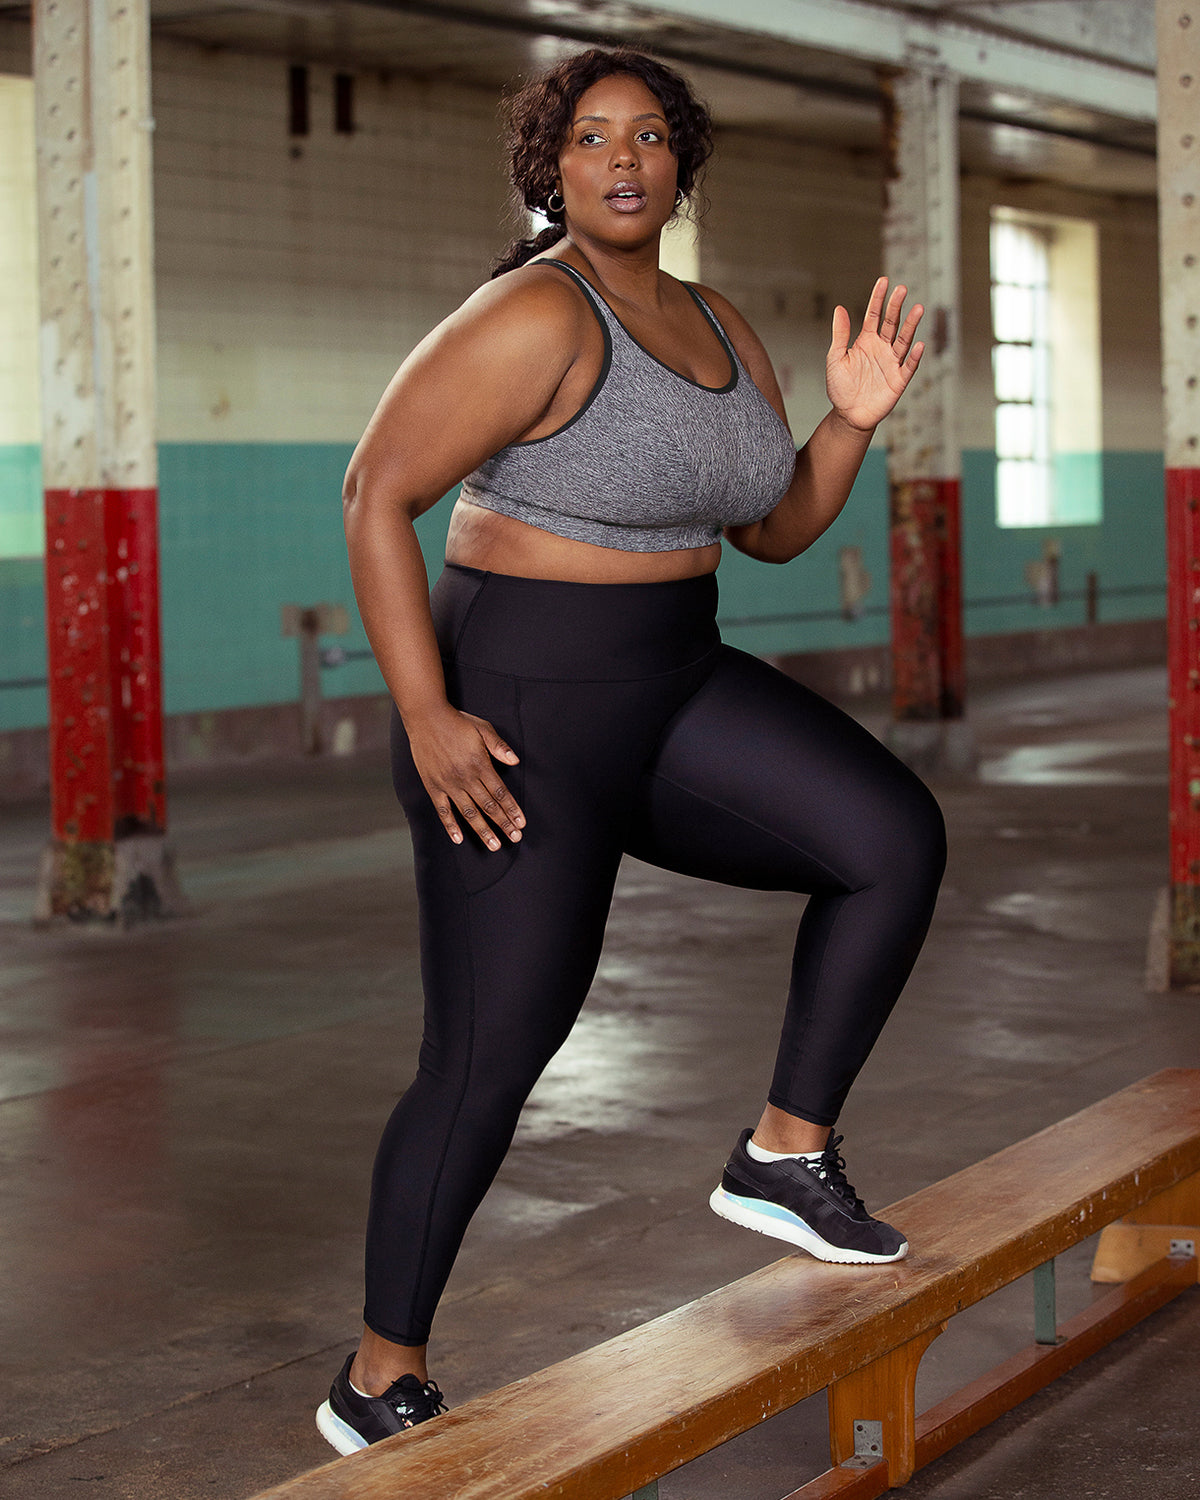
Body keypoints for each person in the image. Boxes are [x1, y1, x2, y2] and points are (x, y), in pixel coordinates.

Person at [316, 45, 946, 1455]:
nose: (622, 158)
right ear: (553, 165)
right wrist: (426, 716)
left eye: (649, 135)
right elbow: (375, 491)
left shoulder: (721, 325)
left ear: (680, 165)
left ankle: (786, 1153)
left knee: (890, 841)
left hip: (671, 684)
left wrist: (847, 421)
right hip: (520, 709)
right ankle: (379, 1375)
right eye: (591, 136)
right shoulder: (532, 313)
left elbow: (773, 523)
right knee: (492, 1053)